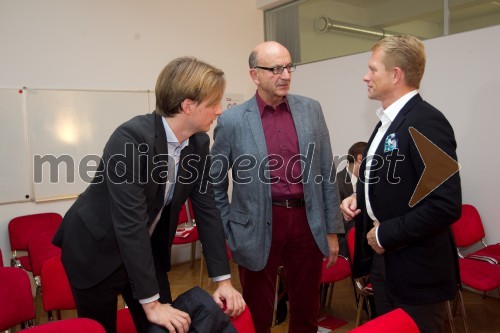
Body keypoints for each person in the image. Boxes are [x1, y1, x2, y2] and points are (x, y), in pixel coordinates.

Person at [52, 56, 245, 333]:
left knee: (169, 325)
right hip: (95, 247)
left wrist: (223, 280)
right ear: (188, 105)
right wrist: (151, 304)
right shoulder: (130, 138)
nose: (219, 111)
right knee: (101, 328)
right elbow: (129, 221)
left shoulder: (199, 143)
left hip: (144, 249)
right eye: (214, 103)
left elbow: (208, 209)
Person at [209, 41, 344, 333]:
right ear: (255, 75)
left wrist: (332, 230)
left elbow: (325, 172)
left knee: (307, 307)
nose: (285, 75)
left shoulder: (311, 110)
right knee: (257, 310)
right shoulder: (232, 121)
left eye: (288, 67)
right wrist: (229, 229)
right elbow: (214, 184)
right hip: (255, 224)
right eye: (275, 69)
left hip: (307, 222)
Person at [340, 35, 461, 333]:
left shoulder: (425, 121)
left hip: (416, 271)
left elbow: (445, 204)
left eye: (373, 69)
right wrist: (361, 196)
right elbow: (395, 180)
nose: (365, 76)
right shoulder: (387, 122)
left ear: (395, 75)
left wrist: (385, 234)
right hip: (387, 266)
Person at [336, 141, 366, 256]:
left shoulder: (371, 181)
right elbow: (337, 222)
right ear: (360, 158)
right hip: (346, 244)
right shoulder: (336, 182)